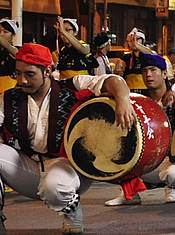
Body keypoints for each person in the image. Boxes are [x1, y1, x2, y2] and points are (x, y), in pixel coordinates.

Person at [0, 43, 135, 233]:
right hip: (29, 167)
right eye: (18, 73)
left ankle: (72, 211)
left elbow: (113, 80)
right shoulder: (9, 98)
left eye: (29, 74)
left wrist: (122, 99)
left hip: (69, 167)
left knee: (54, 188)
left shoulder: (71, 86)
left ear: (47, 71)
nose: (21, 80)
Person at [104, 53, 175, 206]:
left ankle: (172, 188)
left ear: (164, 74)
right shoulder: (138, 98)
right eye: (145, 71)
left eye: (153, 70)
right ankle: (130, 194)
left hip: (169, 160)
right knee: (117, 159)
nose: (148, 75)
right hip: (145, 160)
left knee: (173, 174)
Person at [0, 18, 18, 93]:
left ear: (12, 35)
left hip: (9, 89)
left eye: (5, 32)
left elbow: (17, 53)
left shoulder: (15, 50)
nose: (1, 34)